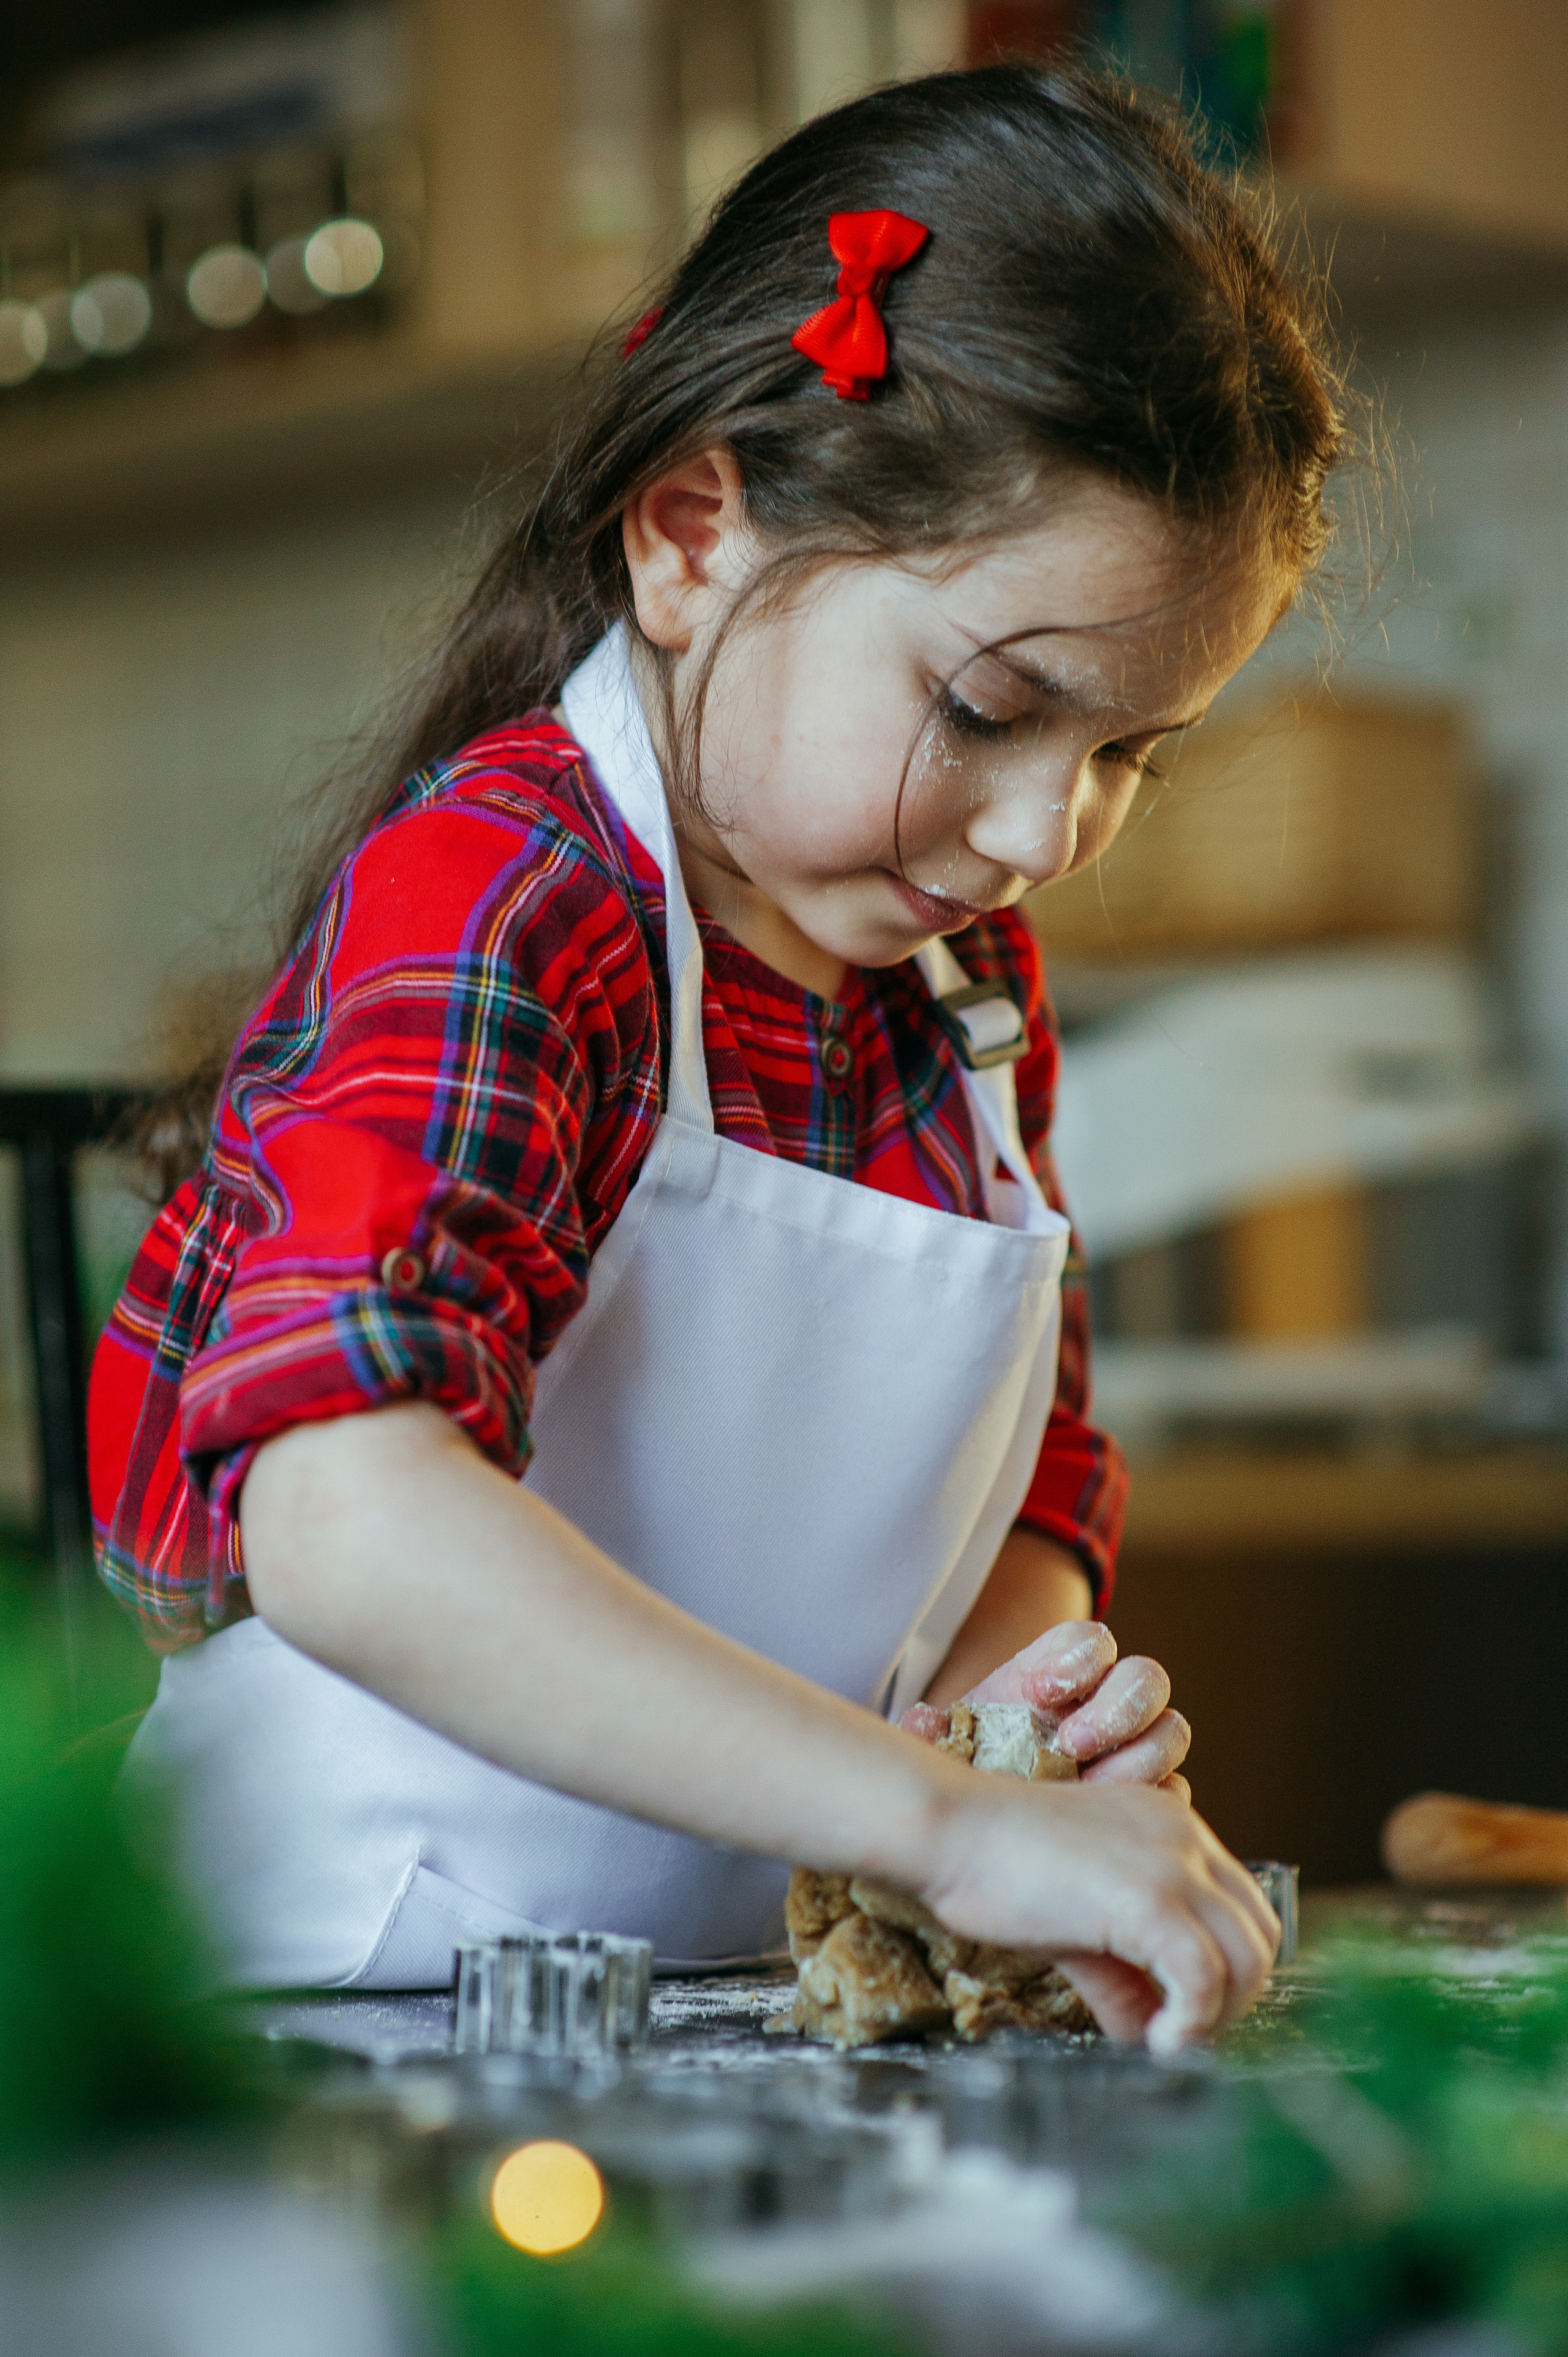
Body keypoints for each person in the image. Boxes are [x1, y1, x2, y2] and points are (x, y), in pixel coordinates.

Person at [89, 62, 1342, 2051]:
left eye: (1124, 753)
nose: (1047, 832)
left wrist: (1031, 1741)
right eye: (992, 707)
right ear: (691, 538)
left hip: (727, 2030)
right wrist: (933, 1818)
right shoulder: (504, 897)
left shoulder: (965, 1005)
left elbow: (1022, 1519)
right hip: (327, 2027)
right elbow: (345, 1509)